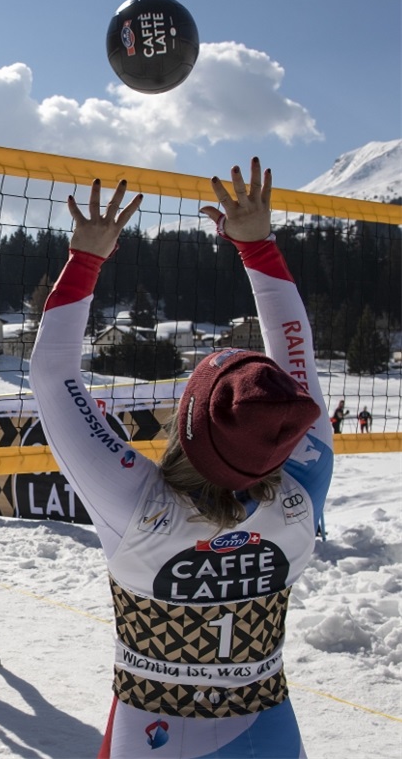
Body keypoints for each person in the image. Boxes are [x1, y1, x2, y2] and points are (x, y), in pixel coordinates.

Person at [30, 159, 333, 757]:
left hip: (154, 736)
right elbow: (296, 358)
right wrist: (260, 248)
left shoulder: (135, 506)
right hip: (267, 732)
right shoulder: (302, 486)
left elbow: (50, 371)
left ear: (187, 423)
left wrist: (86, 256)